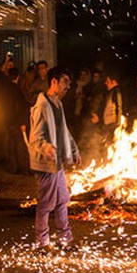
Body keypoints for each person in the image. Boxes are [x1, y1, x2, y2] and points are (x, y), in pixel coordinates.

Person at [29, 66, 81, 251]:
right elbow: (35, 137)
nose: (69, 86)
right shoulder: (42, 105)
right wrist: (46, 148)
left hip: (56, 163)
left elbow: (64, 131)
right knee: (46, 203)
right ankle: (41, 243)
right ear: (54, 82)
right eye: (65, 81)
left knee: (61, 200)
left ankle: (65, 240)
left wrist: (73, 151)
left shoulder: (57, 104)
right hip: (45, 164)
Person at [5, 68, 30, 174]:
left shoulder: (6, 90)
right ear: (17, 77)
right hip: (16, 121)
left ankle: (13, 166)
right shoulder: (16, 90)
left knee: (12, 143)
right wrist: (22, 122)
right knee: (20, 144)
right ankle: (23, 167)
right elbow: (20, 107)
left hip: (8, 121)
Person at [92, 71, 123, 135]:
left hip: (112, 124)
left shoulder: (116, 92)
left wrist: (118, 122)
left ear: (114, 82)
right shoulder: (108, 92)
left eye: (108, 81)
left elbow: (119, 106)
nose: (106, 83)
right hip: (107, 123)